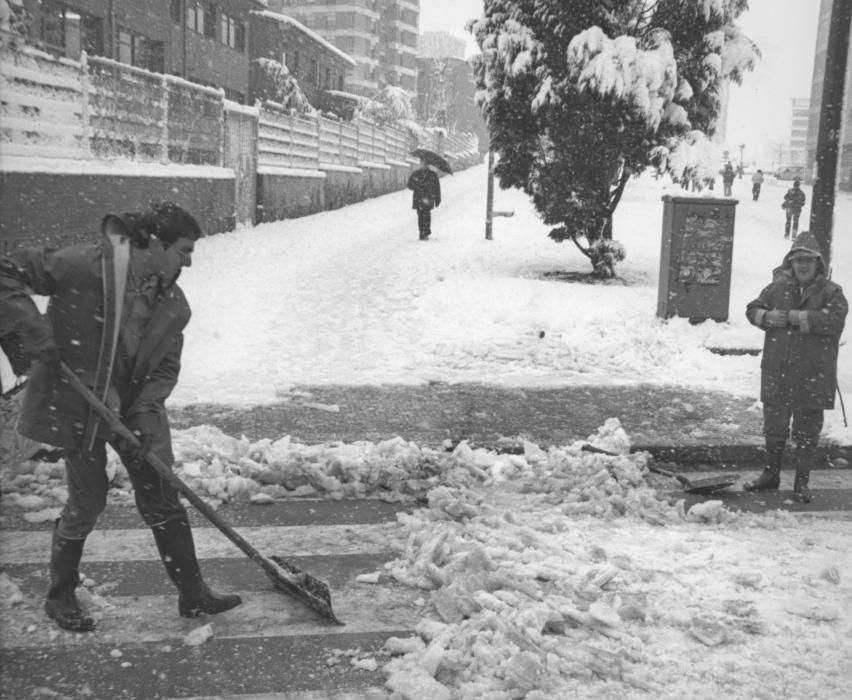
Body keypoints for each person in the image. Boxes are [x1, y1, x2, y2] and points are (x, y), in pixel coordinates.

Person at [0, 202, 242, 632]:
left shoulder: (172, 303)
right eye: (183, 249)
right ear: (155, 242)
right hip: (83, 406)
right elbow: (5, 269)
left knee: (162, 493)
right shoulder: (85, 268)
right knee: (87, 500)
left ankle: (193, 593)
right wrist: (32, 328)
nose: (189, 260)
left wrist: (145, 414)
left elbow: (165, 365)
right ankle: (59, 595)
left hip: (134, 409)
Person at [744, 231, 847, 503]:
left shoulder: (831, 292)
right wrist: (765, 316)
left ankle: (802, 482)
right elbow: (752, 308)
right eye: (798, 259)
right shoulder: (777, 287)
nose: (803, 265)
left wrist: (795, 317)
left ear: (818, 264)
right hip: (778, 369)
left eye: (809, 260)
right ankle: (771, 474)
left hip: (813, 372)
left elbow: (835, 321)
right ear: (791, 261)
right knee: (774, 426)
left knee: (807, 430)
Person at [407, 158, 441, 240]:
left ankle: (425, 232)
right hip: (418, 198)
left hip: (428, 198)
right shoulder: (416, 174)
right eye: (421, 163)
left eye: (424, 163)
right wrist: (417, 187)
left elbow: (437, 187)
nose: (422, 165)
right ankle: (422, 232)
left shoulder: (433, 175)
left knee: (427, 215)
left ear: (427, 165)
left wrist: (438, 198)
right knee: (420, 216)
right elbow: (409, 185)